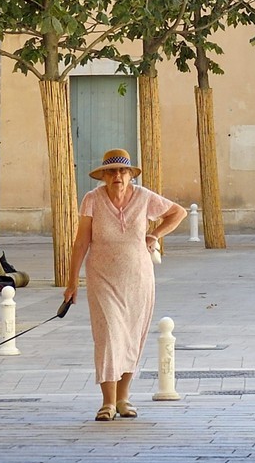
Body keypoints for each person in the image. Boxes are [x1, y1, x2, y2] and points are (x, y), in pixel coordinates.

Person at [62, 149, 187, 421]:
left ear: (130, 174)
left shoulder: (144, 197)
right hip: (102, 278)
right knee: (108, 336)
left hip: (139, 278)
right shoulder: (92, 200)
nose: (117, 176)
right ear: (103, 176)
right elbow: (81, 241)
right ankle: (107, 402)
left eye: (122, 171)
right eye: (111, 171)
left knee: (131, 337)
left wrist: (155, 233)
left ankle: (123, 399)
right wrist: (72, 282)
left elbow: (177, 213)